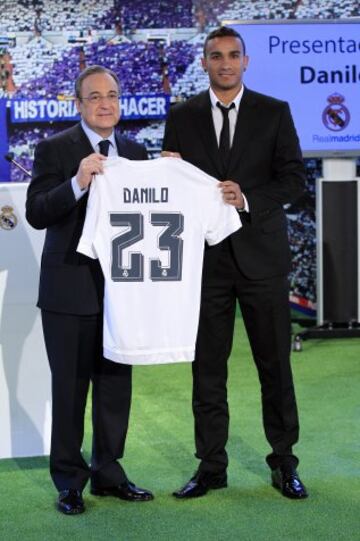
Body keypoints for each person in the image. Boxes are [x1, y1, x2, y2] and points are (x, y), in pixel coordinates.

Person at [162, 26, 308, 500]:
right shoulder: (181, 116)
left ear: (246, 62)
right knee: (207, 369)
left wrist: (247, 198)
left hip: (262, 259)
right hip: (204, 263)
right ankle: (211, 466)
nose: (224, 63)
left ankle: (284, 462)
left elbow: (293, 181)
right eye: (215, 55)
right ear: (203, 62)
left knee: (275, 368)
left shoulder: (274, 112)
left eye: (232, 55)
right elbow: (170, 180)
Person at [26, 65, 153, 515]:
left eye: (113, 95)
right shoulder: (54, 149)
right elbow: (37, 212)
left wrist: (167, 176)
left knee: (116, 386)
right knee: (71, 389)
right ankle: (68, 481)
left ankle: (109, 473)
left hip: (123, 293)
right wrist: (78, 182)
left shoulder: (137, 152)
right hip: (68, 293)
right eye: (95, 96)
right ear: (79, 104)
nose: (106, 103)